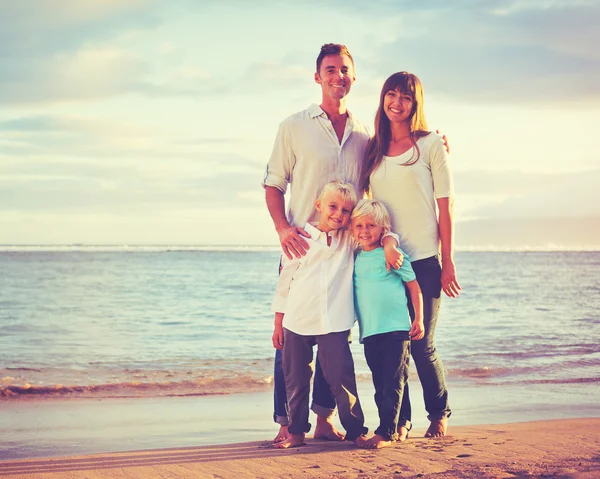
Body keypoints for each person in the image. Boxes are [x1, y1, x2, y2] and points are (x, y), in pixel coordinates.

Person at [263, 43, 405, 443]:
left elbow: (395, 154)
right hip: (301, 248)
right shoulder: (293, 126)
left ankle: (325, 418)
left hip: (347, 251)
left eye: (344, 69)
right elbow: (273, 184)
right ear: (317, 76)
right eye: (330, 69)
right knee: (290, 342)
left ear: (353, 77)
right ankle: (287, 424)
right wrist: (283, 230)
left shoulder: (364, 133)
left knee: (334, 338)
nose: (337, 76)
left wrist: (435, 142)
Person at [360, 71, 461, 439]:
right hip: (388, 262)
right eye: (391, 94)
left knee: (421, 344)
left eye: (405, 97)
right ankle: (400, 422)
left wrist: (447, 261)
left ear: (415, 103)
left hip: (423, 259)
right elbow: (364, 203)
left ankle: (439, 412)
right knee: (392, 347)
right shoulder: (372, 149)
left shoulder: (432, 144)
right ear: (383, 98)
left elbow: (445, 207)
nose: (397, 103)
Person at [271, 182, 385, 449]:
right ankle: (296, 433)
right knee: (296, 380)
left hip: (335, 321)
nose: (338, 214)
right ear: (319, 205)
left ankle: (356, 430)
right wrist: (278, 324)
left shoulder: (350, 239)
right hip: (297, 320)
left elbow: (378, 232)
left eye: (346, 210)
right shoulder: (299, 239)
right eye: (333, 207)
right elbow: (283, 284)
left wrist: (390, 242)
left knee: (343, 379)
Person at [351, 199, 424, 449]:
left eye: (371, 225)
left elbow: (413, 286)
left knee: (392, 382)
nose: (364, 230)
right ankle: (401, 423)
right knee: (382, 382)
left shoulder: (391, 254)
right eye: (359, 225)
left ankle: (386, 432)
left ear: (383, 229)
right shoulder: (354, 258)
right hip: (370, 331)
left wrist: (418, 318)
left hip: (397, 330)